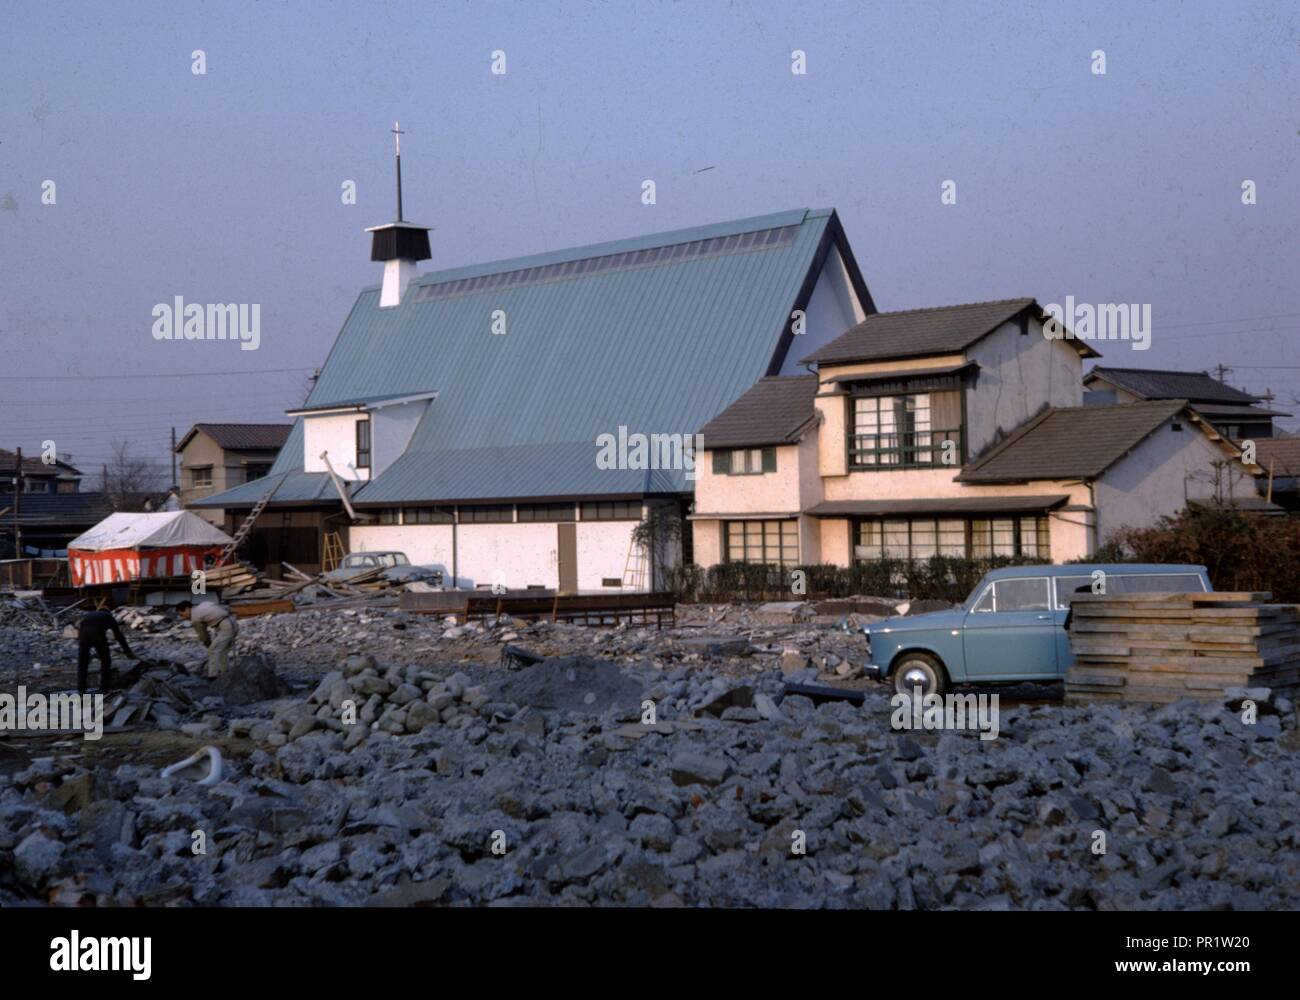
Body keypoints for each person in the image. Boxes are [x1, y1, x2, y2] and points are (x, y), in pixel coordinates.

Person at [76, 609, 138, 694]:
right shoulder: (109, 616)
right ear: (108, 612)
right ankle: (104, 688)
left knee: (82, 663)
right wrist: (128, 652)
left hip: (83, 635)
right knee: (105, 661)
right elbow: (118, 635)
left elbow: (81, 625)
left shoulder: (91, 614)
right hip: (97, 634)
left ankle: (81, 689)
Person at [175, 600, 239, 678]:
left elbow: (203, 636)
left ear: (187, 609)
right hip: (231, 623)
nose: (183, 617)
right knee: (222, 651)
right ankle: (225, 674)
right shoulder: (201, 606)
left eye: (182, 614)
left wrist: (209, 645)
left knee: (213, 650)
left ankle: (212, 676)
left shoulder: (195, 618)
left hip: (226, 626)